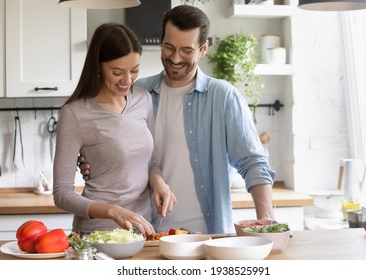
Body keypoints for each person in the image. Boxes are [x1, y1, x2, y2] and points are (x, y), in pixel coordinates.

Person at [79, 5, 276, 234]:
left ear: (203, 49)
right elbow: (108, 144)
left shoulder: (223, 97)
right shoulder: (136, 93)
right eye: (169, 47)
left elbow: (252, 162)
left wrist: (267, 219)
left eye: (186, 50)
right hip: (144, 233)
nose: (175, 58)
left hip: (207, 235)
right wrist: (92, 161)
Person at [53, 23, 176, 237]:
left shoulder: (143, 99)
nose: (127, 80)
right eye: (117, 72)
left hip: (142, 230)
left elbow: (152, 163)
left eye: (134, 70)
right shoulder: (75, 113)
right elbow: (62, 194)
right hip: (97, 234)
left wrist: (159, 184)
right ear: (98, 67)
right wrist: (111, 210)